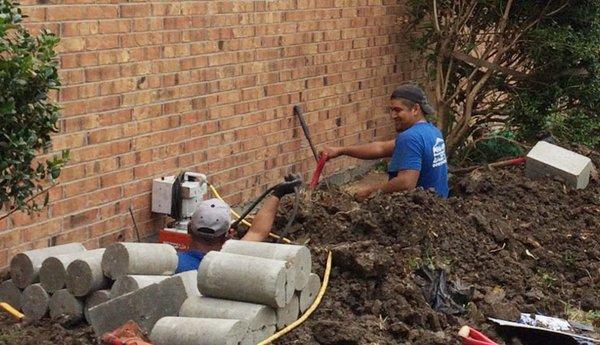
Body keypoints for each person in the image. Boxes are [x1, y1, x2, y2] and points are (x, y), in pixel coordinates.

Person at [322, 84, 448, 200]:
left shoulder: (411, 137)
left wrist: (370, 192)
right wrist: (340, 151)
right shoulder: (432, 131)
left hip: (422, 213)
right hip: (442, 208)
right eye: (391, 110)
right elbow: (381, 148)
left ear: (415, 109)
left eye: (398, 110)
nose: (393, 115)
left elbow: (406, 183)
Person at [175, 176, 301, 272]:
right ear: (229, 235)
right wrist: (279, 193)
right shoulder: (231, 264)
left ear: (188, 229)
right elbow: (257, 232)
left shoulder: (172, 262)